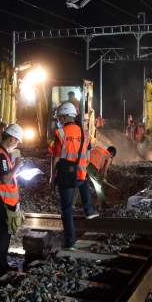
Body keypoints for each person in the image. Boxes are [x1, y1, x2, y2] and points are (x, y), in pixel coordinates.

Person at [52, 103, 97, 251]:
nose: (59, 119)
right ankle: (89, 211)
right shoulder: (84, 132)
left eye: (59, 117)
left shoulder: (60, 133)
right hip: (81, 173)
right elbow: (89, 149)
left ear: (64, 116)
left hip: (66, 175)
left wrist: (52, 177)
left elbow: (56, 158)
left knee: (66, 210)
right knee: (82, 185)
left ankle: (70, 242)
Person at [0, 124, 24, 281]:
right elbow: (5, 178)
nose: (17, 144)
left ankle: (3, 265)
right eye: (17, 141)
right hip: (0, 200)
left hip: (5, 199)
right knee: (1, 235)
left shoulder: (4, 154)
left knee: (5, 235)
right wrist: (16, 166)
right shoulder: (0, 155)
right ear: (11, 138)